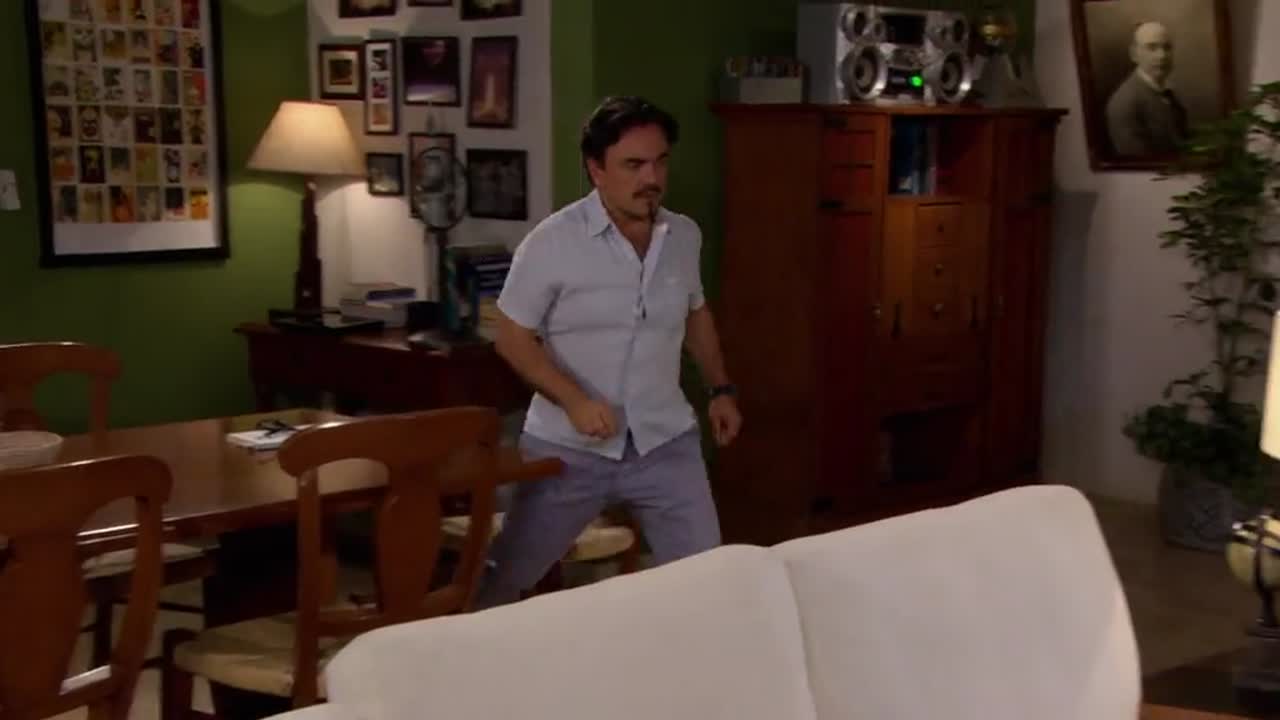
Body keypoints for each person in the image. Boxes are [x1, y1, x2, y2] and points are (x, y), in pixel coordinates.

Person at [475, 96, 742, 608]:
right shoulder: (551, 243)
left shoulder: (683, 236)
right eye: (633, 165)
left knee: (708, 584)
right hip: (568, 450)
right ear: (596, 169)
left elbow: (695, 315)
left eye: (660, 162)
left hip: (666, 442)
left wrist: (720, 389)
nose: (651, 178)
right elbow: (511, 336)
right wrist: (573, 399)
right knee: (505, 581)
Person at [1105, 20, 1189, 156]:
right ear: (1134, 54)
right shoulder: (1124, 103)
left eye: (1167, 47)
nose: (1162, 56)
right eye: (1152, 48)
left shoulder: (1169, 92)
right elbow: (1138, 163)